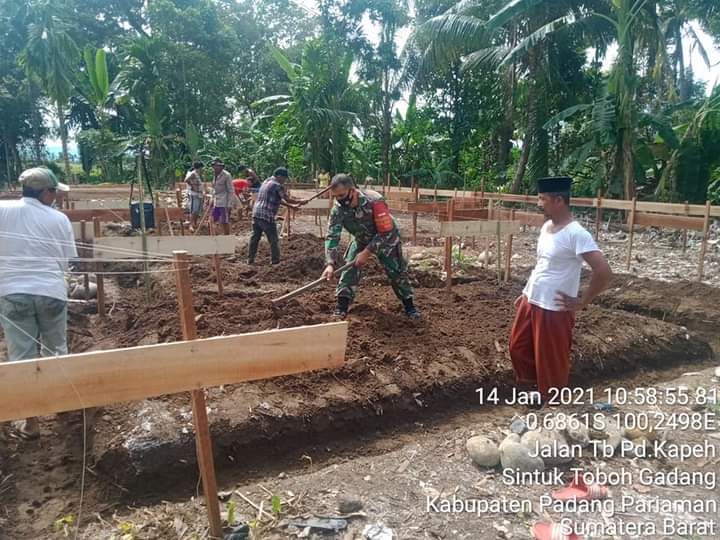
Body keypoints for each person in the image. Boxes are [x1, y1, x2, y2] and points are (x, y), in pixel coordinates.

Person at [509, 176, 612, 401]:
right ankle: (534, 390)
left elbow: (603, 272)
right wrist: (526, 292)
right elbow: (542, 264)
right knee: (518, 347)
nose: (539, 203)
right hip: (532, 299)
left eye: (542, 199)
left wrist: (583, 300)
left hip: (554, 307)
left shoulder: (577, 234)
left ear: (558, 201)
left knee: (551, 358)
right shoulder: (546, 227)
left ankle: (552, 403)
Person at [0, 167, 76, 439]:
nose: (55, 197)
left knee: (21, 356)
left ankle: (31, 421)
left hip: (12, 293)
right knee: (56, 348)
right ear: (45, 192)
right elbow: (69, 260)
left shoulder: (2, 210)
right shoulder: (59, 219)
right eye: (54, 192)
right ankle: (62, 407)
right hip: (51, 293)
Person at [321, 174, 420, 320]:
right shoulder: (338, 209)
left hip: (386, 238)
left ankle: (410, 307)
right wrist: (330, 264)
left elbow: (386, 231)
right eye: (336, 196)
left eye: (342, 195)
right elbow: (332, 236)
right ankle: (341, 308)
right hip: (361, 239)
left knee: (397, 272)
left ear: (352, 190)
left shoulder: (374, 201)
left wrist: (367, 252)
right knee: (349, 268)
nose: (339, 199)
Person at [248, 167, 305, 265]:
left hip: (256, 213)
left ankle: (250, 259)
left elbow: (278, 199)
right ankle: (275, 261)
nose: (284, 180)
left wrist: (291, 206)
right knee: (273, 239)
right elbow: (286, 199)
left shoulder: (266, 182)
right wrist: (300, 201)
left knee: (255, 238)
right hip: (266, 215)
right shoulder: (277, 185)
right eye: (284, 178)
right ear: (279, 176)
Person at [210, 158, 234, 235]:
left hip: (224, 202)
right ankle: (215, 235)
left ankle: (226, 236)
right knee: (213, 219)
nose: (215, 168)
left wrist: (229, 204)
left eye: (217, 166)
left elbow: (231, 190)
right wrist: (211, 198)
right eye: (214, 166)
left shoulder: (227, 175)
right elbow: (214, 188)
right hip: (216, 201)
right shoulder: (215, 175)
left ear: (221, 166)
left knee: (224, 221)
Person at [185, 161, 205, 232]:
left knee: (198, 210)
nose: (202, 169)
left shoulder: (198, 174)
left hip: (199, 194)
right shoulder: (193, 173)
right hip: (194, 194)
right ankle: (191, 224)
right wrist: (192, 186)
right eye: (202, 168)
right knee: (194, 210)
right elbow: (186, 180)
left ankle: (195, 223)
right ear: (199, 168)